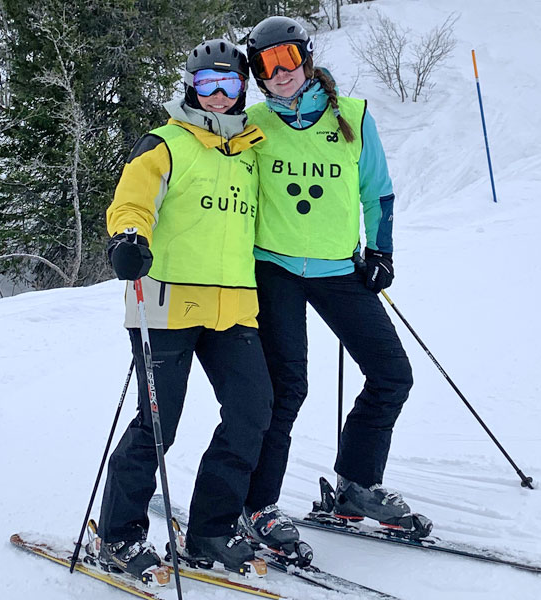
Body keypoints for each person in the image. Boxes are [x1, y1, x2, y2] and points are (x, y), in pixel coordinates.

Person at [237, 16, 430, 558]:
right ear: (256, 72)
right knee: (286, 388)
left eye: (288, 59)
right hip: (272, 270)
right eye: (266, 64)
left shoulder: (353, 116)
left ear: (306, 57)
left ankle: (356, 487)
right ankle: (258, 505)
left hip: (338, 270)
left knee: (392, 374)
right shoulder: (251, 125)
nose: (280, 74)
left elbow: (379, 193)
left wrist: (382, 251)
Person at [96, 39, 273, 584]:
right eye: (205, 84)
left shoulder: (250, 152)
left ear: (242, 87)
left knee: (252, 414)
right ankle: (119, 536)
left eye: (227, 84)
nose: (217, 96)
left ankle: (210, 532)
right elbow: (131, 202)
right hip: (167, 305)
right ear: (191, 88)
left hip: (235, 309)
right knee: (157, 425)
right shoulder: (164, 144)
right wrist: (129, 236)